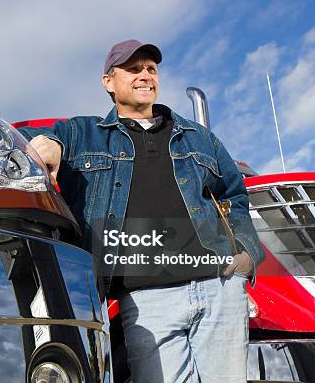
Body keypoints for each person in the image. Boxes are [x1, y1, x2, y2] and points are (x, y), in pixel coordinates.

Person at [18, 39, 265, 382]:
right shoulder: (83, 134)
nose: (145, 75)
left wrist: (247, 256)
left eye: (151, 69)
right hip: (147, 303)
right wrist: (52, 145)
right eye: (133, 69)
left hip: (218, 289)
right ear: (109, 81)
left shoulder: (199, 137)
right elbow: (15, 138)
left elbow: (236, 195)